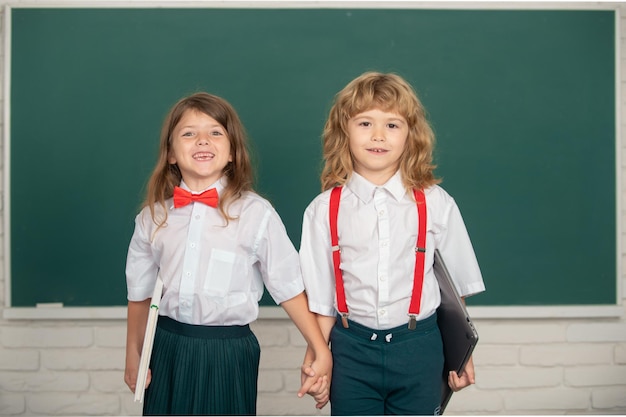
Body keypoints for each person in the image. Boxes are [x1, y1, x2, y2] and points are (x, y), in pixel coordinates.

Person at [124, 92, 331, 415]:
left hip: (229, 350)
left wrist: (320, 349)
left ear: (233, 152)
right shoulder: (152, 218)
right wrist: (133, 355)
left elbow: (288, 286)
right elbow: (138, 293)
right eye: (189, 133)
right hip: (167, 345)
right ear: (171, 154)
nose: (202, 140)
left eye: (215, 132)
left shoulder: (256, 214)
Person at [299, 72, 485, 415]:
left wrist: (463, 353)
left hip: (420, 348)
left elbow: (454, 291)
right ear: (344, 132)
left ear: (411, 135)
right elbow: (322, 300)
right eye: (365, 123)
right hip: (350, 349)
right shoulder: (323, 210)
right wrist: (315, 357)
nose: (379, 136)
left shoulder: (436, 202)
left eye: (393, 125)